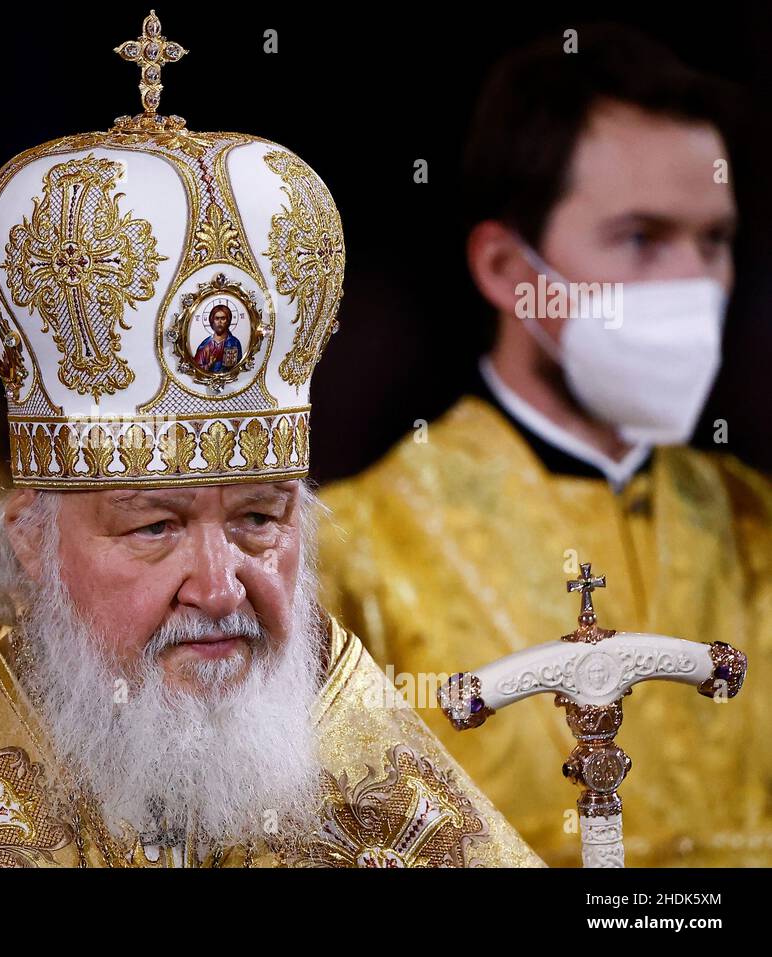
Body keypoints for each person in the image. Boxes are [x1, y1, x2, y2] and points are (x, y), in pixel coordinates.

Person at [0, 14, 540, 868]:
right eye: (156, 527)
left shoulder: (390, 813)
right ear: (33, 540)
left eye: (259, 521)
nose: (221, 587)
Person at [317, 25, 771, 866]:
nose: (694, 284)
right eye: (642, 238)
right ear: (507, 270)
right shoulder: (358, 551)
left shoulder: (758, 524)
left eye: (714, 241)